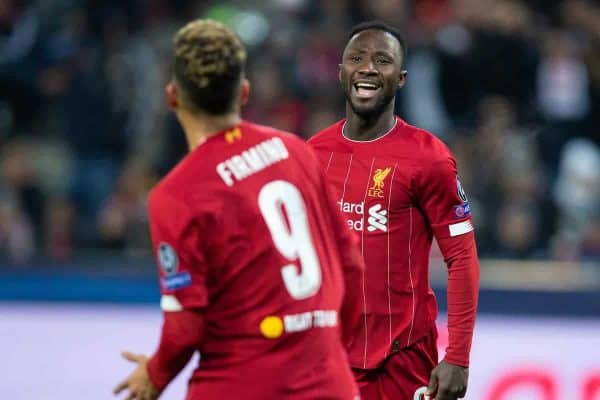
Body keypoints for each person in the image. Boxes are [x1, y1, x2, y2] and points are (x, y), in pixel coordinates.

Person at [113, 19, 364, 400]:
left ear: (171, 96)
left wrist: (156, 374)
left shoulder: (176, 194)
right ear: (244, 91)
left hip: (239, 386)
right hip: (330, 384)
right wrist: (328, 356)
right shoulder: (296, 151)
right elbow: (352, 264)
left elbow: (185, 328)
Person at [308, 21, 480, 400]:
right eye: (357, 58)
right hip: (328, 361)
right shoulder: (312, 156)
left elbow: (462, 258)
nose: (368, 68)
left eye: (382, 61)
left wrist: (458, 357)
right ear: (341, 73)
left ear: (400, 78)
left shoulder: (428, 158)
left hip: (401, 363)